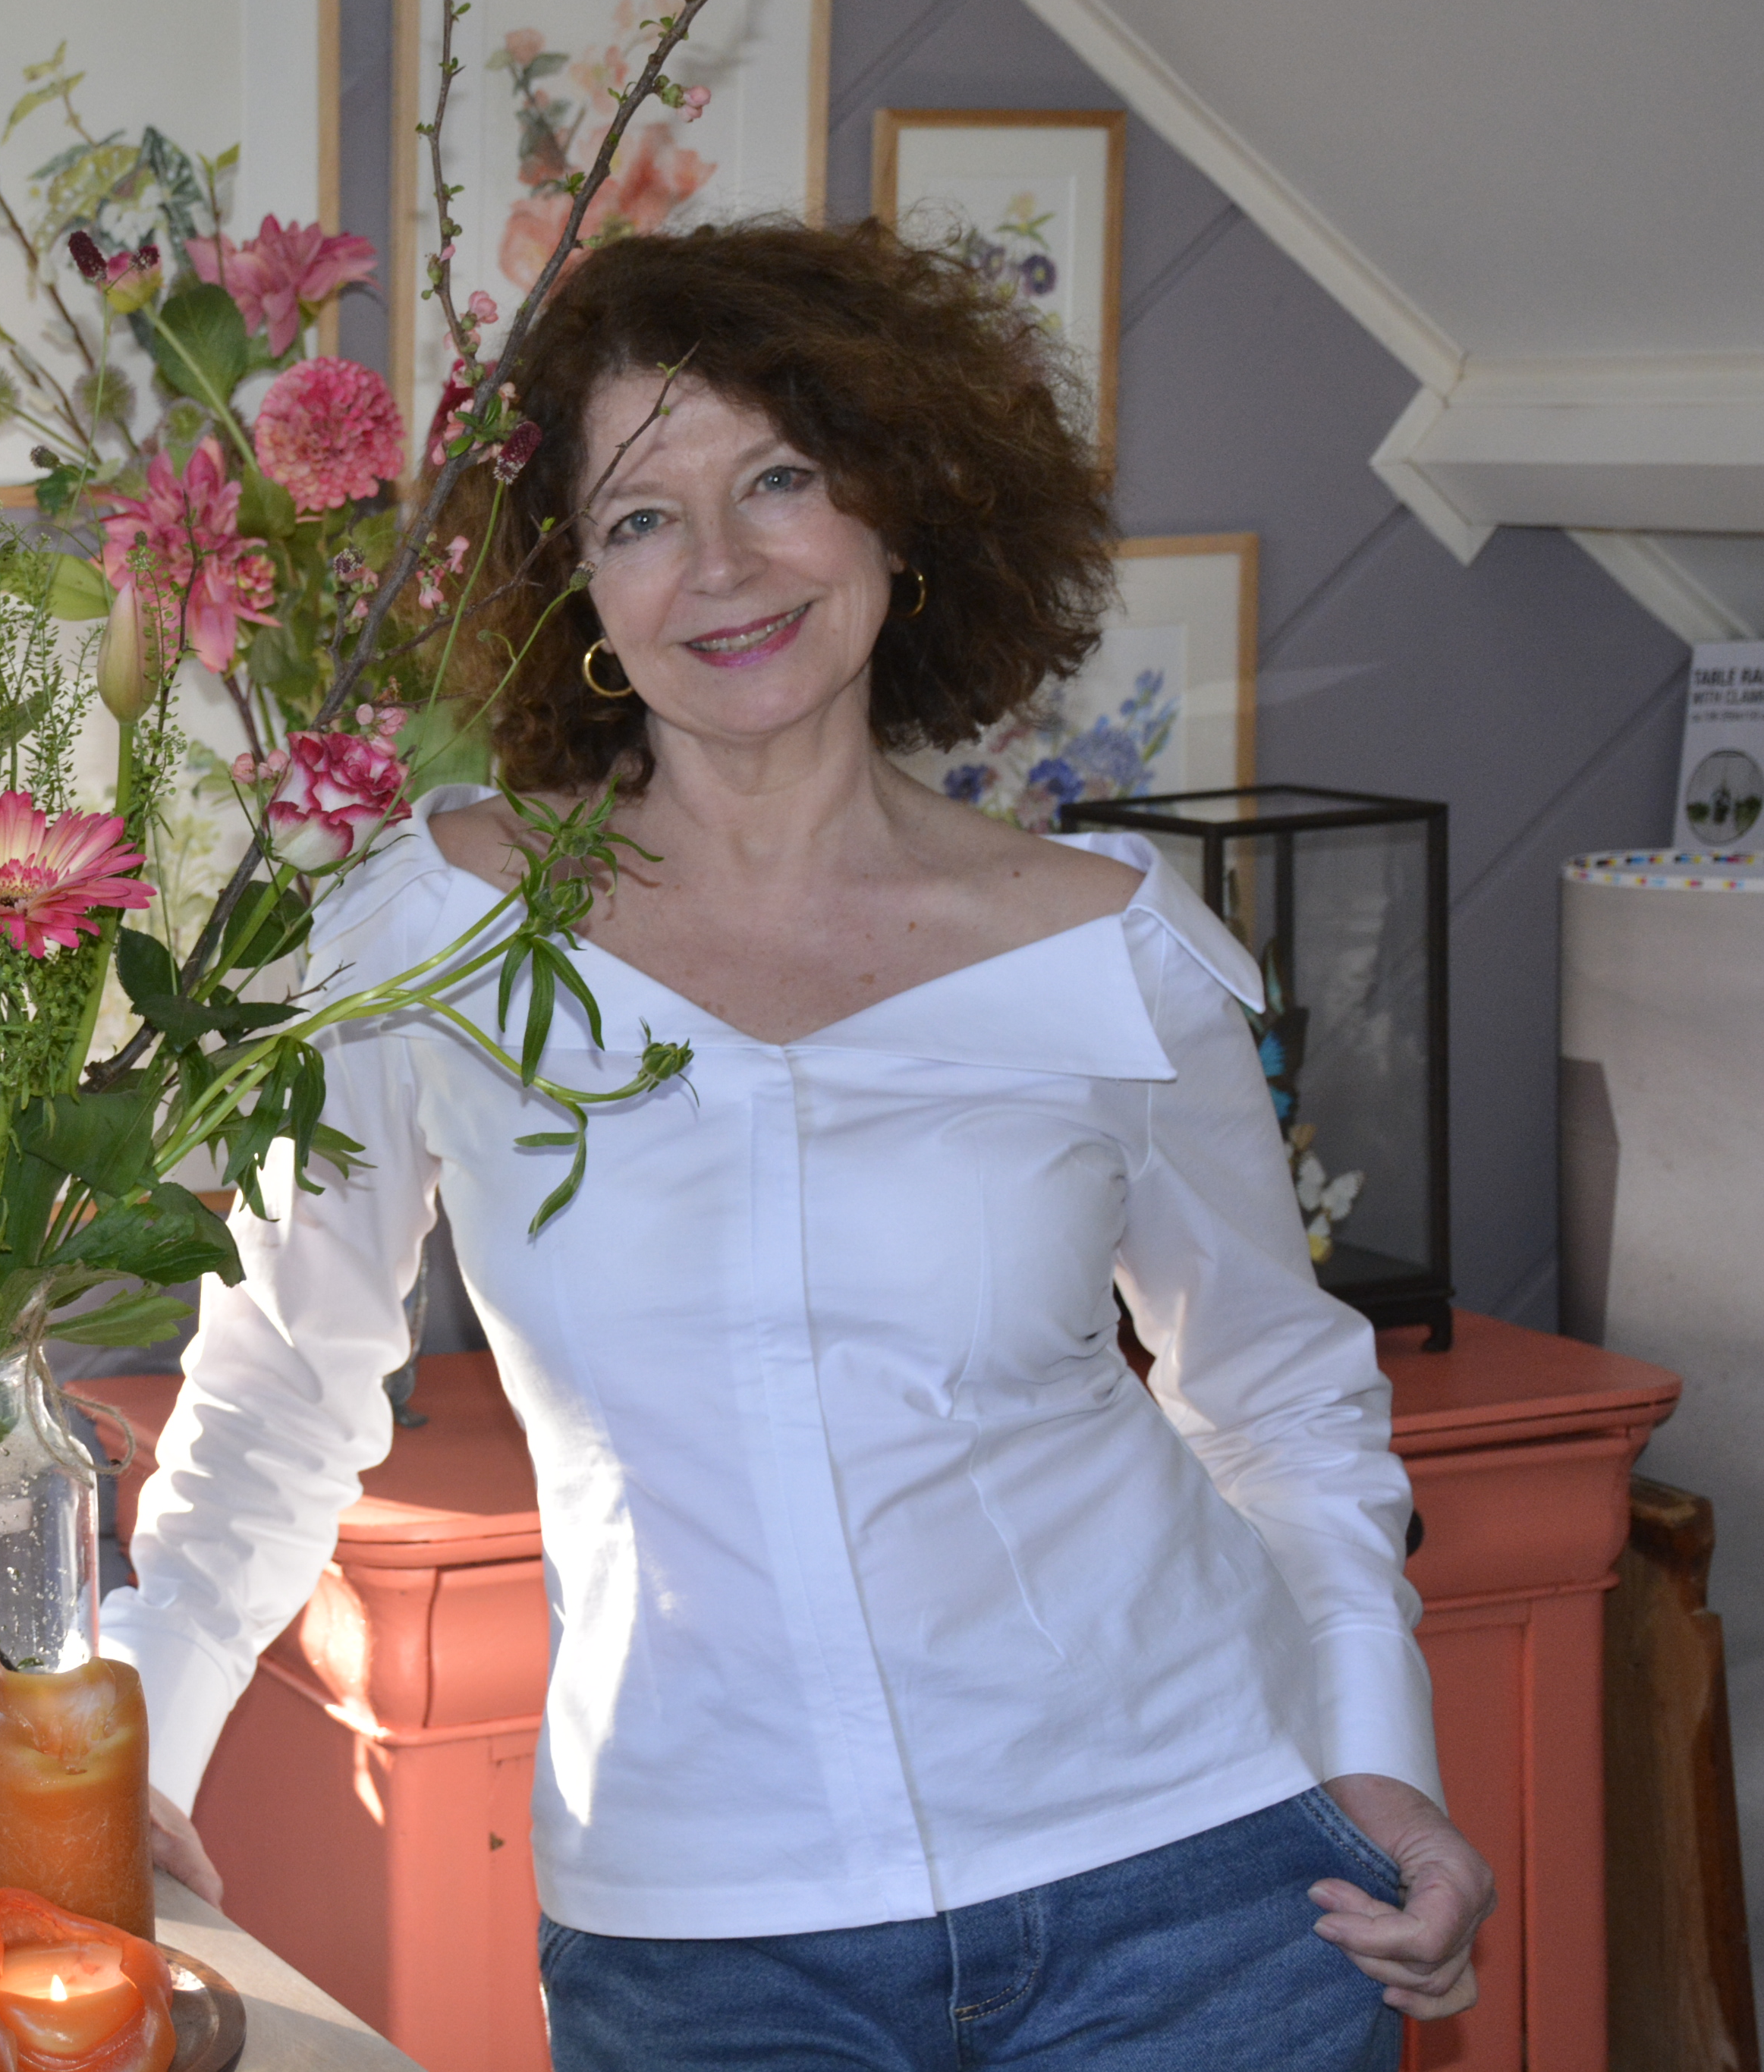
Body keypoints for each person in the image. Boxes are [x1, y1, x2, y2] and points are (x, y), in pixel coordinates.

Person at [97, 220, 1493, 2067]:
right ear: (575, 589)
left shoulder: (1110, 946)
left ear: (898, 510)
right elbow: (278, 1390)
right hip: (705, 1944)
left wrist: (1379, 1759)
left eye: (778, 478)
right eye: (638, 516)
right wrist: (115, 1760)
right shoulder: (429, 932)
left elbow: (1282, 1397)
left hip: (1201, 1886)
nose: (723, 565)